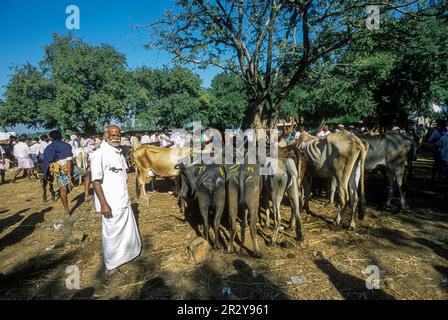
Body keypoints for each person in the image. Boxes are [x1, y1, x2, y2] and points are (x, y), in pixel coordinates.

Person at [91, 125, 142, 276]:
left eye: (118, 134)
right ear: (105, 135)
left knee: (126, 231)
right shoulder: (99, 154)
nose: (116, 137)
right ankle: (111, 266)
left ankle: (126, 256)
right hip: (111, 202)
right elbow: (96, 182)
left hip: (123, 200)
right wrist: (103, 204)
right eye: (113, 134)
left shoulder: (118, 153)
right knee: (112, 233)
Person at [43, 130, 89, 218]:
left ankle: (66, 211)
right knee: (87, 174)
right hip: (68, 168)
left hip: (58, 170)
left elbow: (46, 161)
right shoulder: (66, 145)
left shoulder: (48, 148)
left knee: (62, 189)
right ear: (60, 136)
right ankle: (86, 195)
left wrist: (49, 173)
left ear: (51, 138)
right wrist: (69, 174)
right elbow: (69, 160)